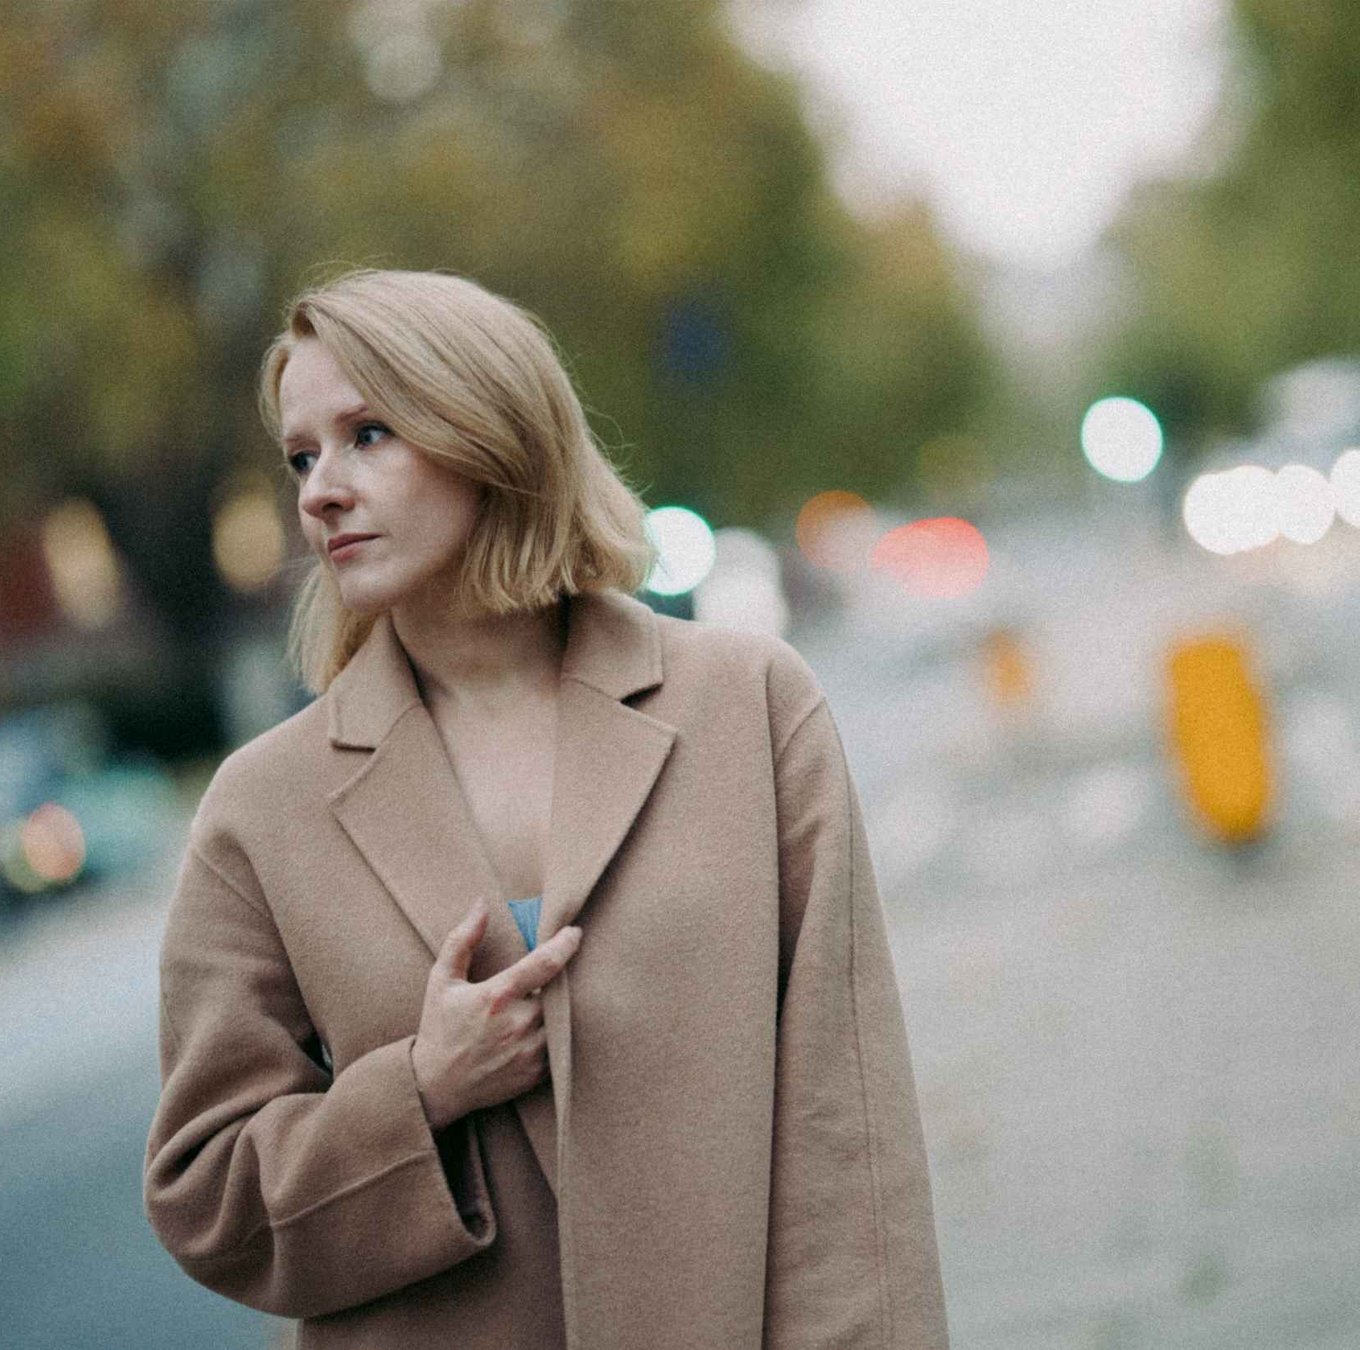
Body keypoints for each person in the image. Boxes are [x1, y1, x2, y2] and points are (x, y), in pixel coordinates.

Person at [142, 268, 949, 1349]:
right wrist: (420, 1091)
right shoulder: (260, 809)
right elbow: (207, 1197)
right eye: (302, 454)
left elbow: (844, 1136)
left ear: (492, 435)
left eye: (368, 434)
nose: (319, 490)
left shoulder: (748, 709)